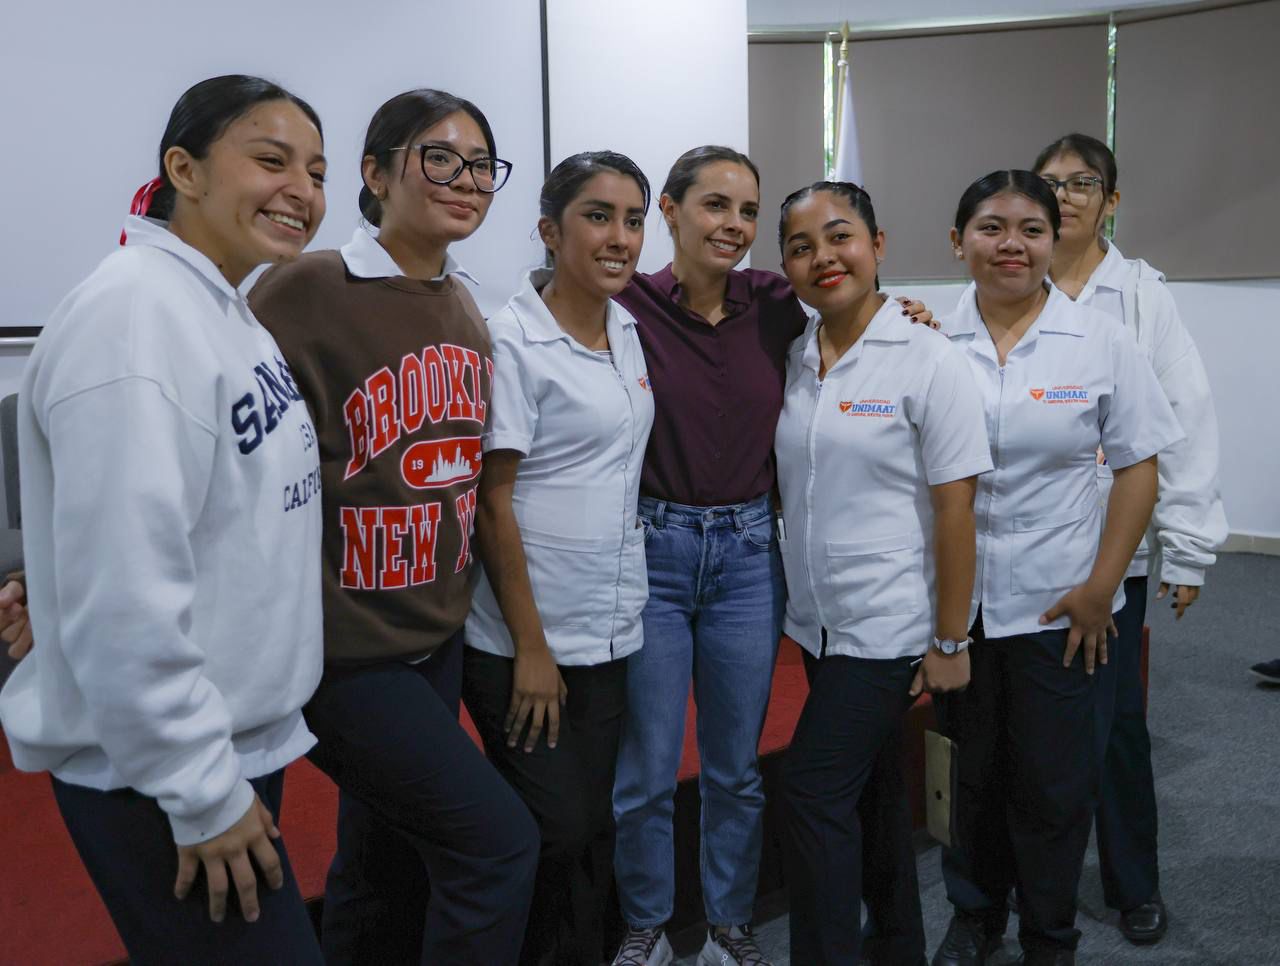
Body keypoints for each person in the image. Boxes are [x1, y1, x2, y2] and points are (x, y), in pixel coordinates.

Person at [0, 74, 329, 963]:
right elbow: (125, 600)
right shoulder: (134, 319)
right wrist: (201, 789)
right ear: (184, 170)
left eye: (316, 172)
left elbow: (195, 521)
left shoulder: (220, 306)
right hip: (163, 774)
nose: (301, 191)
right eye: (271, 160)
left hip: (219, 743)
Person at [610, 146, 932, 966]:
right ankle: (647, 926)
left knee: (735, 769)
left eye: (748, 211)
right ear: (670, 212)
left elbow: (857, 302)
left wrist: (911, 311)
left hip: (749, 559)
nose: (734, 225)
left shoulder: (777, 303)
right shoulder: (628, 305)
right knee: (647, 769)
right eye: (715, 205)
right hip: (656, 552)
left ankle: (729, 924)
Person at [248, 89, 539, 965]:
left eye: (481, 165)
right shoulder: (304, 289)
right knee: (495, 846)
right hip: (342, 651)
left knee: (382, 868)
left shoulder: (465, 304)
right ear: (376, 174)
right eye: (439, 159)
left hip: (431, 637)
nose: (466, 180)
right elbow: (228, 456)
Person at [930, 171, 1183, 966]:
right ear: (959, 241)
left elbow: (1138, 465)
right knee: (968, 774)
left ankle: (1049, 934)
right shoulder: (927, 339)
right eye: (991, 227)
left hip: (1060, 604)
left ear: (1054, 239)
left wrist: (1103, 588)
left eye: (1031, 230)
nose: (1012, 245)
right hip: (958, 609)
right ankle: (975, 916)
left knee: (1053, 784)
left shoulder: (1101, 340)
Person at [774, 181, 991, 966]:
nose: (823, 258)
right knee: (871, 796)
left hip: (888, 626)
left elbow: (956, 510)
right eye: (801, 247)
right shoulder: (797, 355)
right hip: (818, 623)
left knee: (810, 791)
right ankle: (897, 947)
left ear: (878, 245)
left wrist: (950, 638)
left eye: (840, 237)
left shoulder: (929, 358)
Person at [1032, 133, 1227, 944]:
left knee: (1113, 724)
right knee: (1022, 724)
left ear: (1110, 201)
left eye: (1084, 183)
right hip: (1024, 543)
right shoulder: (1009, 279)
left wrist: (1186, 546)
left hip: (1116, 549)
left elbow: (1185, 417)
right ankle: (1019, 887)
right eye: (1051, 182)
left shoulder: (1141, 297)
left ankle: (1133, 884)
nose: (1066, 196)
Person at [465, 150, 655, 966]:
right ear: (550, 230)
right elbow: (492, 502)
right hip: (523, 642)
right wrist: (531, 650)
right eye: (598, 217)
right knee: (557, 826)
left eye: (633, 220)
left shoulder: (627, 329)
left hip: (607, 627)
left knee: (593, 825)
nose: (620, 237)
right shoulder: (512, 340)